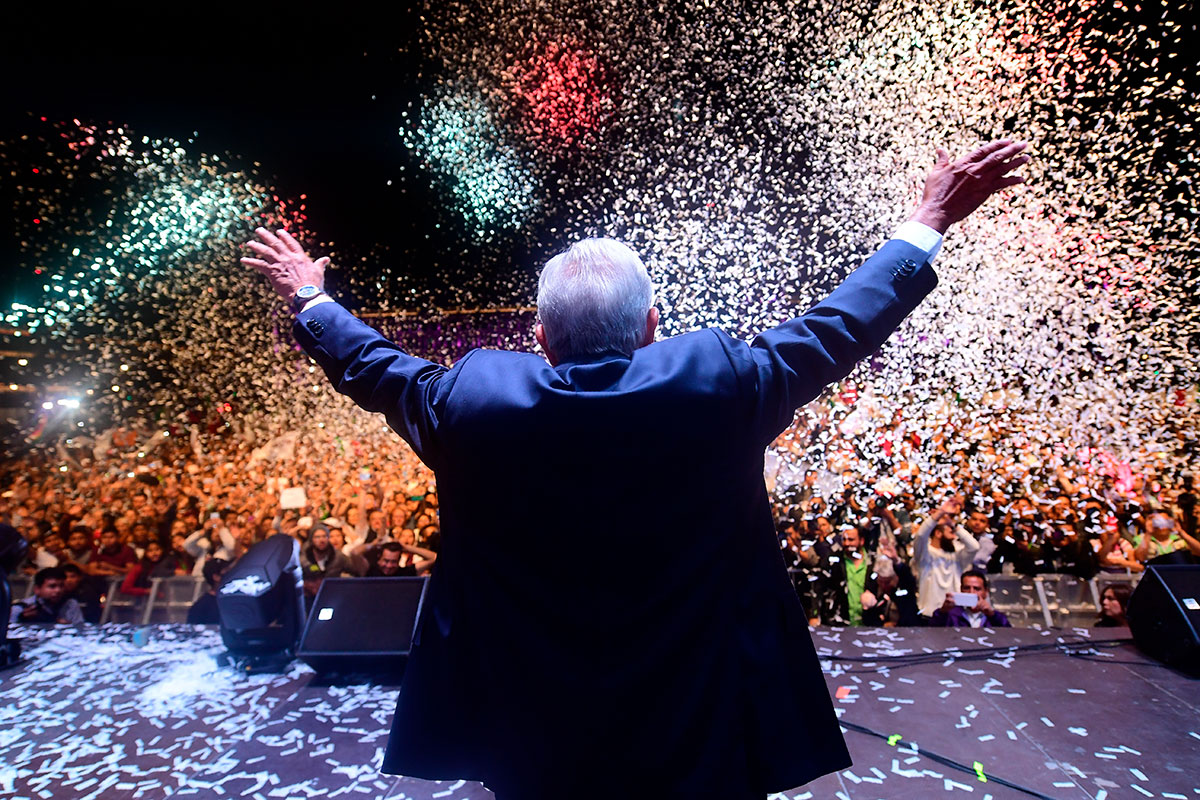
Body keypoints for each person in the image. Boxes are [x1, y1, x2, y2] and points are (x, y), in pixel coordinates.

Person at [244, 138, 1029, 799]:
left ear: (541, 340)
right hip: (706, 722)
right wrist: (928, 218)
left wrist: (311, 296)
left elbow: (373, 365)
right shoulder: (721, 383)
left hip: (529, 729)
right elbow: (839, 327)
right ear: (654, 326)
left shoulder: (470, 404)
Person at [913, 496, 981, 617]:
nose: (955, 534)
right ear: (938, 533)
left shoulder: (958, 556)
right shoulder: (925, 554)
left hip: (956, 615)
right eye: (950, 530)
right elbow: (921, 536)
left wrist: (953, 525)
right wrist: (941, 512)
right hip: (930, 615)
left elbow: (974, 546)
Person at [930, 569, 1010, 628]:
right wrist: (943, 612)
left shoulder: (994, 616)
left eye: (977, 589)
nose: (971, 592)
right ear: (961, 590)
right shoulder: (950, 614)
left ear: (985, 592)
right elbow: (932, 633)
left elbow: (1009, 636)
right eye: (967, 588)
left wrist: (992, 615)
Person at [9, 567, 84, 625]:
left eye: (61, 586)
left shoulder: (70, 605)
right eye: (52, 586)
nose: (58, 590)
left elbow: (81, 631)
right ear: (37, 589)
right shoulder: (20, 608)